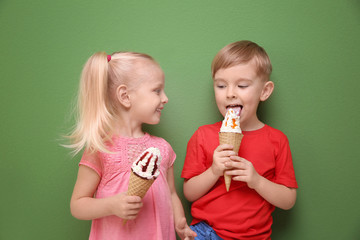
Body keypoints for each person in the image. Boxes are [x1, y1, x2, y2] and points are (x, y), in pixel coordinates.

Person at [67, 51, 196, 240]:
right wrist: (111, 205)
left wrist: (179, 222)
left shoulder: (163, 148)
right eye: (157, 90)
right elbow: (77, 205)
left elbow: (171, 193)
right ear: (125, 96)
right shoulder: (100, 149)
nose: (165, 98)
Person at [181, 40, 298, 240]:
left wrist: (257, 181)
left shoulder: (277, 140)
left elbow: (288, 200)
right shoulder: (202, 135)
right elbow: (189, 193)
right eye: (220, 85)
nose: (230, 93)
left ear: (265, 91)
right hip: (206, 232)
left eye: (242, 85)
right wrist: (214, 171)